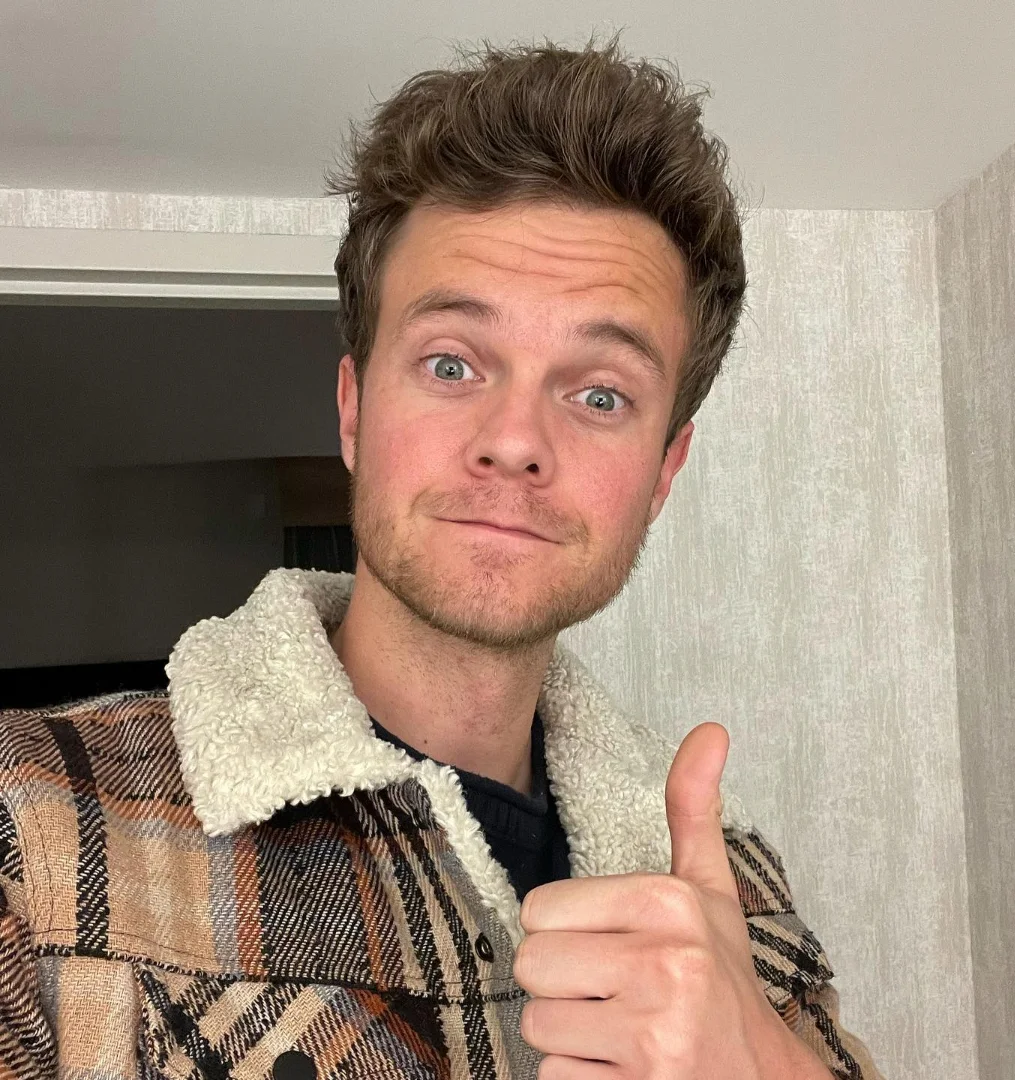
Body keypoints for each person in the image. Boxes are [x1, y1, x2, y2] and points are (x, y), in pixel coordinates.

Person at [0, 36, 884, 1080]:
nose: (515, 439)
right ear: (353, 412)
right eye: (453, 362)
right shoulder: (36, 825)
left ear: (661, 470)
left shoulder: (738, 899)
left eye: (599, 393)